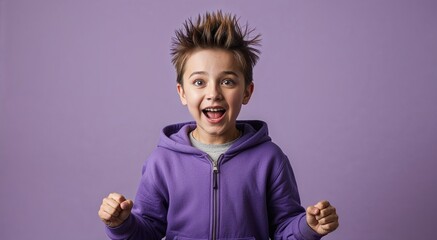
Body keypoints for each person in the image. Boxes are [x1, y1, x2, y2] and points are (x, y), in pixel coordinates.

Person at [98, 11, 339, 240]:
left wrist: (308, 227)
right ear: (182, 93)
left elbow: (284, 228)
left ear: (247, 92)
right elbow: (147, 231)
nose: (213, 93)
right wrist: (121, 224)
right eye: (199, 82)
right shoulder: (162, 162)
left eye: (227, 81)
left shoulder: (270, 159)